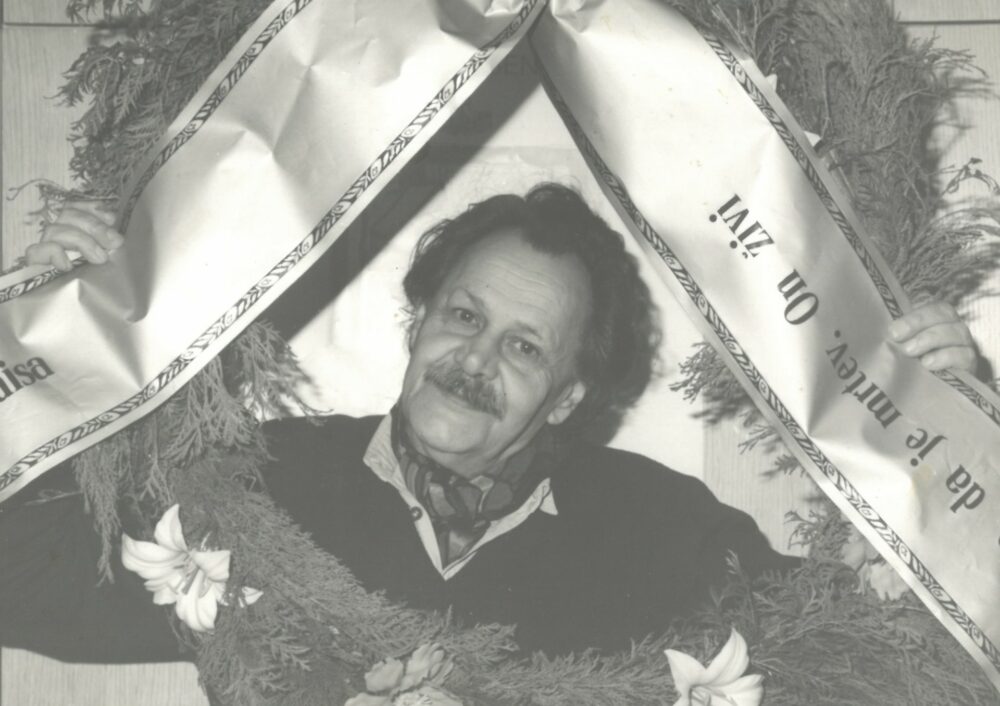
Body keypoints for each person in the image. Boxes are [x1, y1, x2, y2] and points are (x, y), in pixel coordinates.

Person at [0, 184, 981, 661]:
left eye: (523, 347)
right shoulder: (264, 480)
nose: (473, 361)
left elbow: (881, 646)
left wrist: (957, 435)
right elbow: (21, 576)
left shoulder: (663, 528)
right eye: (463, 317)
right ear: (419, 320)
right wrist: (50, 356)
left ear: (567, 396)